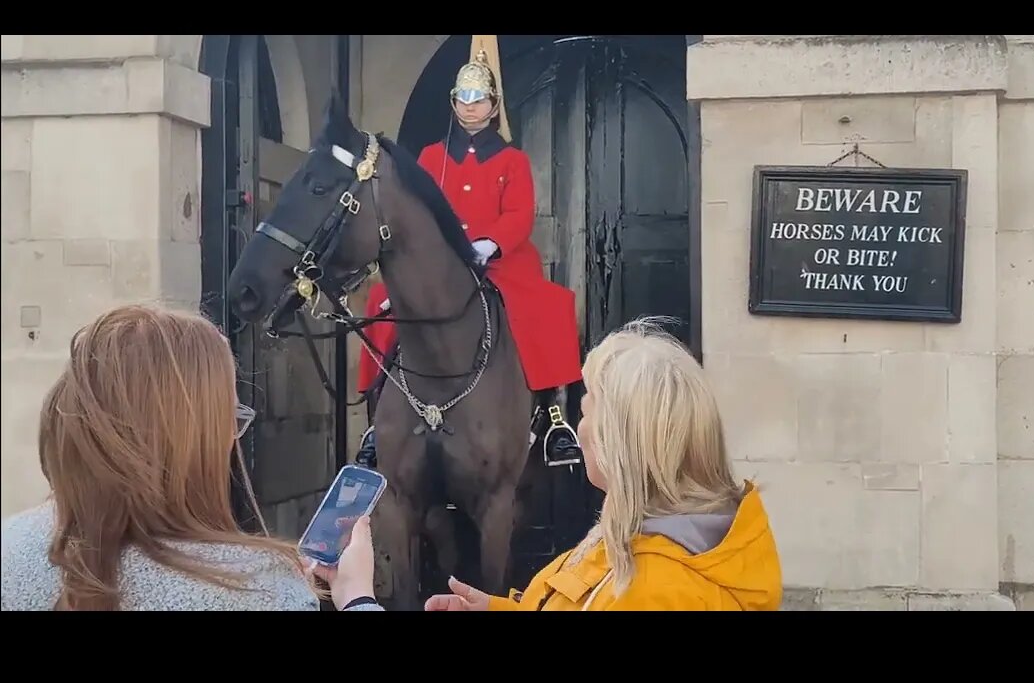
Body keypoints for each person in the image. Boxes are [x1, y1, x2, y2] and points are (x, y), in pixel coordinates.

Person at [0, 303, 382, 612]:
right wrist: (357, 597)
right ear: (193, 439)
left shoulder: (9, 550)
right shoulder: (257, 590)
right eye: (229, 420)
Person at [414, 316, 782, 611]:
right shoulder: (639, 535)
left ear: (617, 445)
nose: (579, 428)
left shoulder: (652, 593)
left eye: (586, 412)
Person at [355, 37, 584, 470]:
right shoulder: (430, 157)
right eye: (464, 97)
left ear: (494, 105)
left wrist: (489, 244)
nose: (471, 105)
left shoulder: (512, 159)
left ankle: (556, 419)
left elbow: (520, 212)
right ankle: (376, 415)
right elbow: (416, 208)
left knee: (552, 306)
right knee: (380, 305)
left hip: (498, 262)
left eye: (479, 98)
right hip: (438, 264)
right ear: (454, 102)